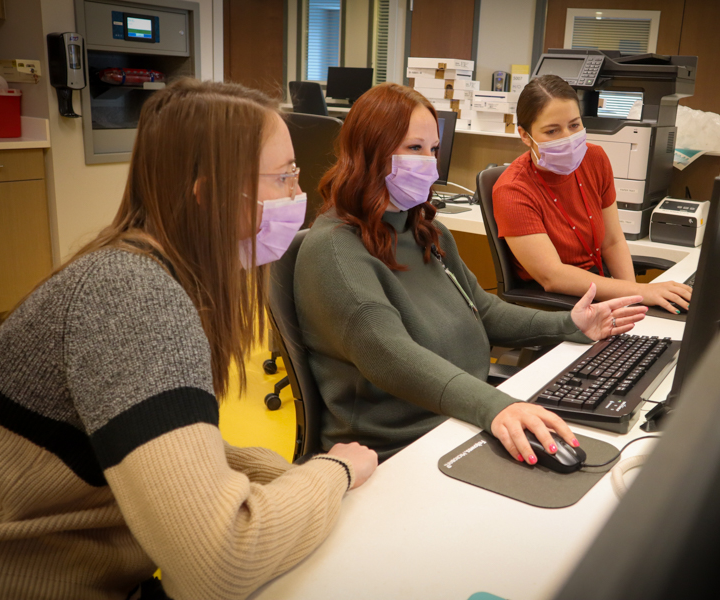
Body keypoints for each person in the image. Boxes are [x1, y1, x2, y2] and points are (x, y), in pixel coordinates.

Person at [0, 79, 377, 600]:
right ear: (210, 195)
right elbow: (217, 565)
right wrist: (333, 473)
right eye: (283, 177)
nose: (297, 196)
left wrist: (292, 478)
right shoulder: (132, 297)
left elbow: (173, 450)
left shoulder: (143, 271)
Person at [294, 82, 647, 465]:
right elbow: (390, 355)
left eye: (433, 150)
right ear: (369, 153)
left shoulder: (427, 231)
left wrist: (572, 324)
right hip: (402, 448)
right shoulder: (334, 251)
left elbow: (487, 312)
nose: (428, 163)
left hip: (464, 418)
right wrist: (495, 407)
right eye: (414, 148)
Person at [493, 75, 692, 314]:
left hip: (602, 291)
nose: (567, 138)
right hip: (560, 306)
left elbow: (612, 241)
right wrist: (638, 292)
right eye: (552, 130)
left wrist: (635, 299)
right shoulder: (513, 190)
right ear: (525, 135)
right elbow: (552, 276)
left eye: (574, 125)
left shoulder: (594, 158)